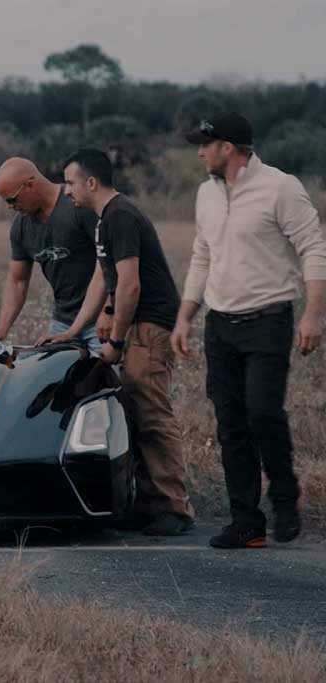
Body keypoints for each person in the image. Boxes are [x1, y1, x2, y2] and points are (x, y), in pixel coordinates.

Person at [172, 112, 326, 549]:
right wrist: (186, 315)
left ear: (228, 147)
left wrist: (314, 314)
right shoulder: (206, 194)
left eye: (205, 144)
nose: (199, 152)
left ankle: (285, 497)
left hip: (268, 319)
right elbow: (203, 255)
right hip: (220, 324)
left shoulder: (280, 187)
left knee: (263, 412)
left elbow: (313, 248)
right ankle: (247, 522)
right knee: (230, 424)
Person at [56, 148, 195, 536]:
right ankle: (148, 504)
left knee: (151, 413)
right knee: (131, 411)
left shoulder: (120, 216)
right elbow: (108, 280)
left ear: (91, 182)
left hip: (150, 325)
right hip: (135, 323)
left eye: (69, 182)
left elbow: (131, 283)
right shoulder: (103, 221)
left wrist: (116, 338)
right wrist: (77, 328)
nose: (66, 191)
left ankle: (174, 508)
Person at [0, 157, 102, 352]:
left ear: (30, 185)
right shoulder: (20, 227)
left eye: (12, 199)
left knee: (115, 377)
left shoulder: (78, 205)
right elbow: (17, 280)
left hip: (100, 318)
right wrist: (2, 328)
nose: (10, 206)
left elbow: (111, 263)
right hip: (63, 322)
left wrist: (110, 313)